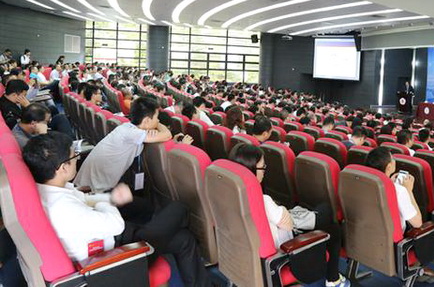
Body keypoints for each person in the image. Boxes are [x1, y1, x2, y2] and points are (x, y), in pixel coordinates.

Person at [22, 132, 210, 287]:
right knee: (179, 208)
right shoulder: (64, 208)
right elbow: (116, 224)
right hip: (115, 259)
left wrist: (110, 198)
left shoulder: (46, 189)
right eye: (74, 156)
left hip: (107, 240)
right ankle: (173, 230)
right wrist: (109, 202)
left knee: (184, 239)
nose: (77, 159)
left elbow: (85, 199)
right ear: (62, 168)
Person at [229, 145, 349, 287]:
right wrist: (281, 210)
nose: (264, 172)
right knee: (333, 228)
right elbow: (288, 225)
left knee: (322, 212)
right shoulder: (262, 200)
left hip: (246, 256)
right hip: (282, 254)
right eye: (262, 167)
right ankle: (333, 279)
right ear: (251, 169)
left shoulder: (230, 194)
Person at [364, 147, 434, 283]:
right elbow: (418, 223)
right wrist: (408, 191)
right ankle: (416, 268)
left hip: (367, 236)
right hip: (394, 246)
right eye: (393, 159)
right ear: (389, 166)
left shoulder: (363, 182)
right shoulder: (398, 190)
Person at [74, 97, 172, 192]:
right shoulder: (133, 134)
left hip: (88, 184)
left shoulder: (126, 127)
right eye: (156, 117)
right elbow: (168, 135)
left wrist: (152, 128)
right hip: (90, 191)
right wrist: (158, 125)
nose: (158, 120)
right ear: (146, 120)